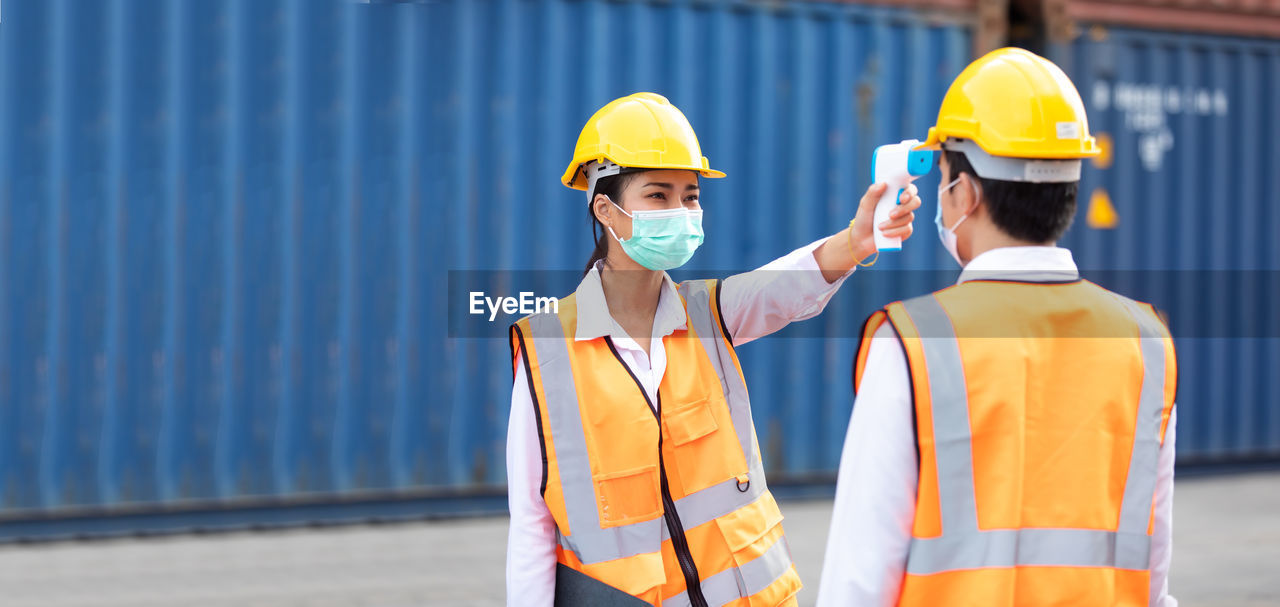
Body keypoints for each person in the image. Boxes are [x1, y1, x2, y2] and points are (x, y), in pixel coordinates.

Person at [506, 92, 923, 606]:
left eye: (690, 196)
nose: (680, 212)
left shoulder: (709, 313)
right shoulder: (546, 349)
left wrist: (857, 241)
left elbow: (783, 286)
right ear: (605, 210)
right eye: (658, 196)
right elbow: (531, 522)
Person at [815, 48, 1177, 607]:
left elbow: (859, 579)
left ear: (967, 193)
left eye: (942, 179)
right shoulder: (1146, 342)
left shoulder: (913, 342)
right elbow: (1153, 571)